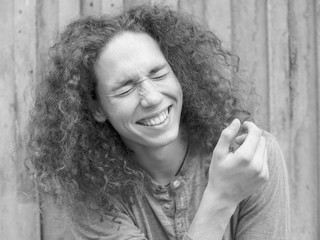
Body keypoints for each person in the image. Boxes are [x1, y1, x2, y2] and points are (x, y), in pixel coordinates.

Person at [28, 4, 290, 240]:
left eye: (159, 74)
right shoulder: (95, 194)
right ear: (97, 108)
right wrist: (221, 197)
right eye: (125, 89)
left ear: (179, 74)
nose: (151, 98)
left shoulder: (250, 159)